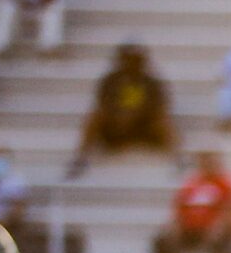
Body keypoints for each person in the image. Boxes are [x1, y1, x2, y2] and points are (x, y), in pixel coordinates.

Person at [70, 42, 176, 173]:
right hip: (116, 126)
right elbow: (103, 103)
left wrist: (135, 115)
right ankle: (80, 158)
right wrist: (120, 116)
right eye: (128, 59)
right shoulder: (110, 80)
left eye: (135, 60)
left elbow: (160, 105)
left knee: (163, 120)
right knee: (95, 116)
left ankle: (176, 159)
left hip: (142, 127)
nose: (132, 64)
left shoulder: (152, 82)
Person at [152, 153, 231, 253]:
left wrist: (220, 225)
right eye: (204, 161)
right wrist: (175, 226)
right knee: (162, 239)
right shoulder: (192, 184)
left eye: (210, 160)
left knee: (223, 240)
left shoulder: (227, 184)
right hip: (192, 229)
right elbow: (179, 209)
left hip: (218, 230)